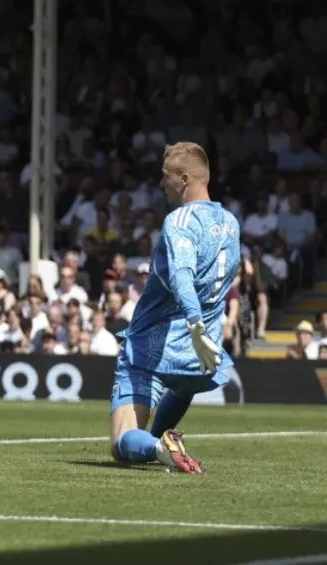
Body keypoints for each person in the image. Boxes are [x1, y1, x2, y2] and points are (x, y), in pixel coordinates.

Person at [109, 142, 241, 474]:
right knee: (182, 388)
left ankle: (156, 446)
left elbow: (183, 274)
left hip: (155, 345)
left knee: (122, 443)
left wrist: (195, 325)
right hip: (199, 360)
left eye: (164, 176)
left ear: (184, 179)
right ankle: (162, 444)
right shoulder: (231, 223)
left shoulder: (179, 220)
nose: (160, 183)